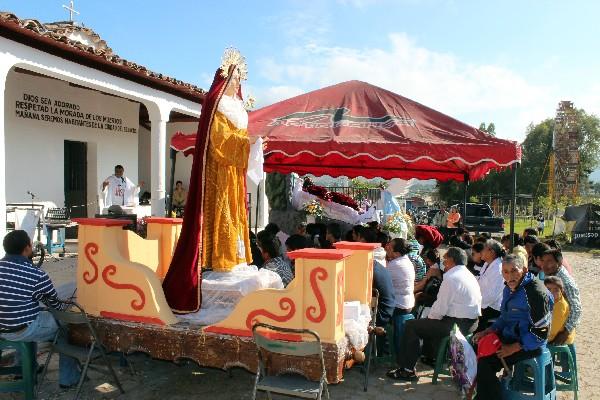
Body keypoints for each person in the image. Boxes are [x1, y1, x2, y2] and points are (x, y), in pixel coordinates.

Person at [163, 48, 256, 313]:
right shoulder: (217, 105)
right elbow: (218, 141)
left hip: (233, 171)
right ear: (225, 78)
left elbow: (236, 139)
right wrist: (246, 142)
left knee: (235, 212)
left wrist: (251, 144)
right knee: (223, 212)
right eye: (235, 77)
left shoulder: (237, 107)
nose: (239, 82)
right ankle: (220, 259)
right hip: (219, 170)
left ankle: (234, 257)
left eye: (240, 77)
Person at [0, 230, 80, 388]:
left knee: (29, 315)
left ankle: (23, 369)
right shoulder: (36, 274)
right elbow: (56, 306)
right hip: (23, 329)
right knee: (65, 325)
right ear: (27, 248)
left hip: (3, 327)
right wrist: (69, 303)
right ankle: (68, 378)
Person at [388, 247, 481, 381]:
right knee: (428, 322)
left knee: (412, 325)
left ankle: (407, 370)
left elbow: (440, 308)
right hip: (471, 322)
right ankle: (430, 356)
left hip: (457, 323)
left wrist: (428, 320)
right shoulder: (467, 274)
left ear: (451, 260)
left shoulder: (452, 278)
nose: (443, 262)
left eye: (445, 259)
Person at [473, 255, 554, 400]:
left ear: (523, 270)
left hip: (530, 344)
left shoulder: (534, 293)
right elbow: (505, 318)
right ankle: (482, 392)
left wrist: (514, 348)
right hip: (512, 335)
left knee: (486, 363)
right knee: (475, 346)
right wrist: (488, 331)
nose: (509, 276)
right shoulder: (509, 288)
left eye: (513, 271)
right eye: (505, 272)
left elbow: (541, 332)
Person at [541, 249, 581, 344]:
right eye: (543, 261)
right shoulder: (552, 275)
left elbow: (576, 310)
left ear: (558, 263)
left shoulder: (565, 282)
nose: (545, 265)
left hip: (561, 334)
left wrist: (565, 333)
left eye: (549, 261)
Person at [475, 239, 506, 332]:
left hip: (492, 307)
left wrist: (476, 304)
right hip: (483, 302)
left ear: (491, 252)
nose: (481, 251)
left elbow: (493, 295)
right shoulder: (487, 263)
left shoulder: (498, 268)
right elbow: (480, 279)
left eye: (484, 249)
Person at [544, 276, 575, 345]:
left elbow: (553, 330)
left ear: (561, 291)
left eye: (556, 290)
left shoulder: (560, 307)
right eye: (548, 289)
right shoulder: (551, 301)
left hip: (558, 338)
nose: (552, 293)